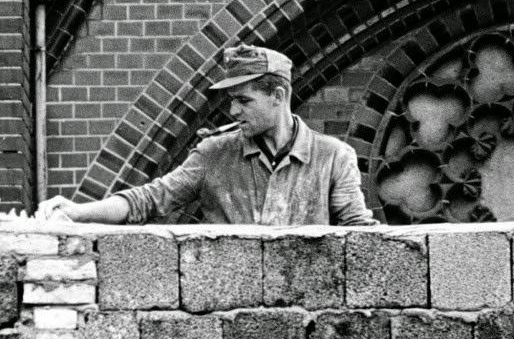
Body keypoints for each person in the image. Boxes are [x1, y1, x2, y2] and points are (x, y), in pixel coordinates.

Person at [36, 45, 377, 226]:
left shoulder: (333, 157)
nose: (234, 112)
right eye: (232, 101)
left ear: (278, 96)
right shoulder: (214, 153)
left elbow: (358, 234)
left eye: (244, 100)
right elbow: (148, 200)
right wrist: (78, 211)